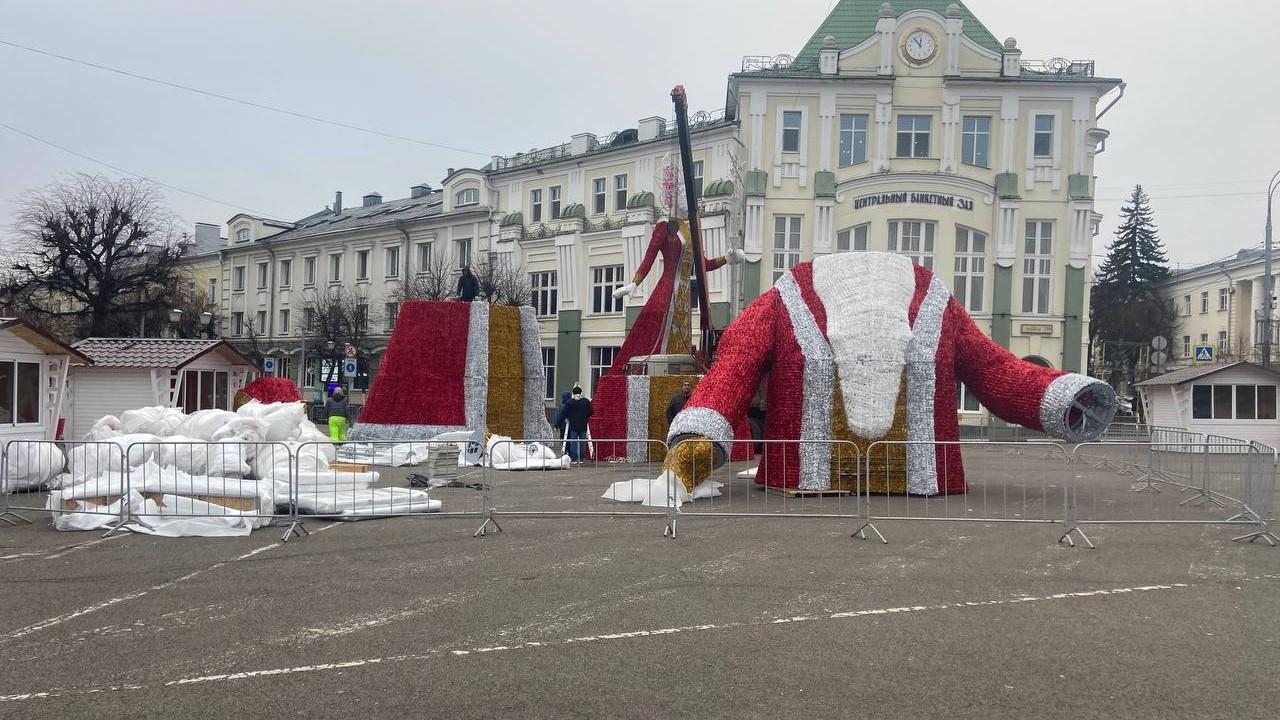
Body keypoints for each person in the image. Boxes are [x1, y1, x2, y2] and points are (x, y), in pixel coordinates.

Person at [665, 252, 1117, 496]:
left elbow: (998, 374)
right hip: (807, 475)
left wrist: (1068, 397)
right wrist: (698, 440)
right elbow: (730, 376)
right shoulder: (783, 301)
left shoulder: (935, 304)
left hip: (899, 476)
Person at [561, 385, 593, 464]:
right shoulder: (586, 401)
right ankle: (581, 458)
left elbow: (564, 412)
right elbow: (591, 411)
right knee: (582, 442)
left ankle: (574, 459)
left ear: (573, 393)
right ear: (581, 392)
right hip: (583, 425)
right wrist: (585, 416)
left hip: (573, 425)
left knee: (574, 443)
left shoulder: (570, 402)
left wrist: (569, 417)